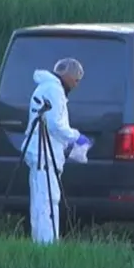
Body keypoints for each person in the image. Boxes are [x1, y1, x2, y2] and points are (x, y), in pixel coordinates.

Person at [22, 57, 92, 244]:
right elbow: (55, 125)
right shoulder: (54, 90)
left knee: (42, 199)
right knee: (47, 200)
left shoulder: (47, 88)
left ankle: (42, 241)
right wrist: (75, 136)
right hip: (44, 153)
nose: (76, 84)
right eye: (76, 80)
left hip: (43, 151)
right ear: (67, 75)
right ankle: (46, 244)